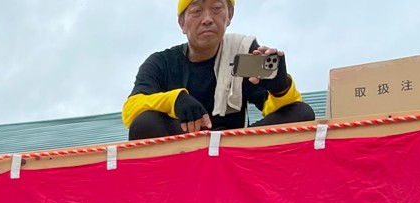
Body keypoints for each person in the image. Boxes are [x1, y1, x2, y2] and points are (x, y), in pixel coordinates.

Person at [123, 0, 315, 140]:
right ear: (182, 23)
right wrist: (175, 100)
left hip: (234, 149)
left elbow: (279, 110)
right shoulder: (160, 62)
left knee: (302, 113)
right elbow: (131, 110)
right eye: (197, 11)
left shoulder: (243, 51)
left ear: (229, 15)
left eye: (216, 9)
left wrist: (280, 89)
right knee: (144, 124)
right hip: (186, 147)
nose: (207, 19)